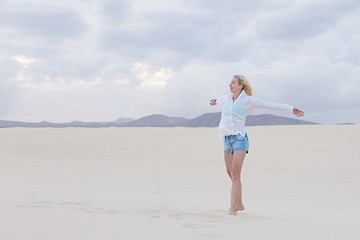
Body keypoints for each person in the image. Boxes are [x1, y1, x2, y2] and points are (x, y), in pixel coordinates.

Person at [210, 74, 304, 215]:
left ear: (241, 86)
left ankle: (232, 209)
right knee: (230, 173)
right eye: (230, 83)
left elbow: (269, 104)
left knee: (236, 174)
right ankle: (240, 203)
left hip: (240, 140)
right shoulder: (226, 99)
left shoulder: (247, 101)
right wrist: (214, 101)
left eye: (233, 83)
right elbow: (218, 100)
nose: (230, 85)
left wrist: (290, 109)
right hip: (227, 140)